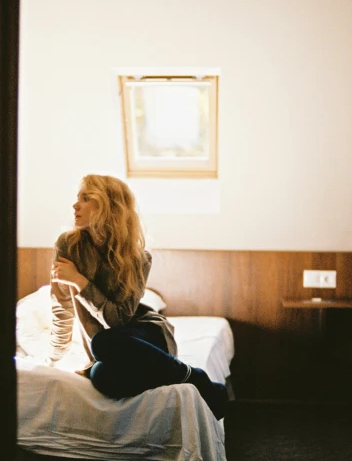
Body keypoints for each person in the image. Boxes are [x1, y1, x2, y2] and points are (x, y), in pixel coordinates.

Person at [46, 174, 228, 420]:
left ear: (108, 206)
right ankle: (182, 376)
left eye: (86, 199)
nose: (75, 205)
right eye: (77, 198)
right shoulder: (67, 245)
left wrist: (80, 281)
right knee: (100, 374)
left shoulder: (138, 257)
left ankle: (194, 377)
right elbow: (62, 305)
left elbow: (117, 320)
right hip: (108, 349)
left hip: (144, 336)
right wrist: (54, 357)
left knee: (102, 342)